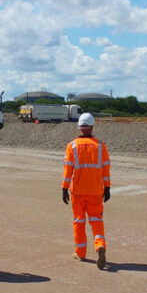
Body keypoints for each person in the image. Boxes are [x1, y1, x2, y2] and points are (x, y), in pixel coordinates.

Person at [62, 113, 111, 270]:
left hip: (77, 192)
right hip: (96, 191)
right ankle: (99, 245)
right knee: (96, 222)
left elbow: (68, 169)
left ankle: (80, 253)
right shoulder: (100, 146)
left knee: (79, 222)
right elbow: (105, 168)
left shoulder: (72, 146)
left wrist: (64, 187)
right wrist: (107, 187)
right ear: (92, 126)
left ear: (79, 127)